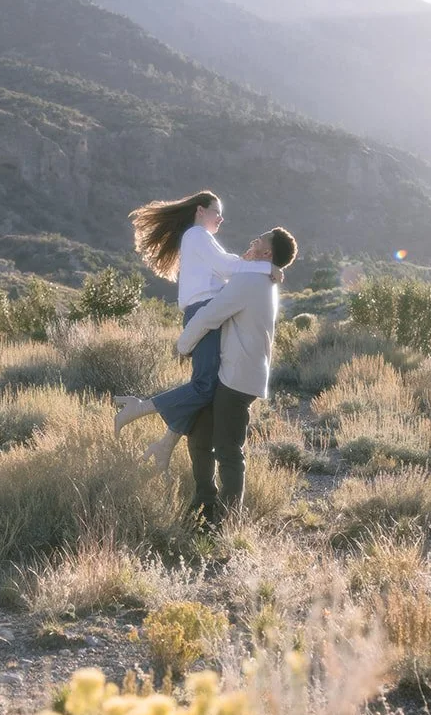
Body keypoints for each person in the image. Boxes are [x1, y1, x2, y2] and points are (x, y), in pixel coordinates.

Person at [115, 190, 279, 471]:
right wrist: (267, 266)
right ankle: (139, 407)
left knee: (208, 386)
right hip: (204, 312)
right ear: (200, 211)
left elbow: (228, 268)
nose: (221, 219)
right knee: (205, 387)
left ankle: (165, 444)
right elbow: (228, 266)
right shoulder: (197, 235)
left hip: (205, 313)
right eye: (217, 212)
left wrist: (258, 266)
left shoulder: (200, 239)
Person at [181, 226, 298, 524]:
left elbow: (210, 315)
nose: (252, 241)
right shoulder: (262, 279)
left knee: (228, 450)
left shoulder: (251, 280)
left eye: (258, 240)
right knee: (200, 436)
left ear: (266, 252)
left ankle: (229, 521)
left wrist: (182, 345)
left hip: (237, 377)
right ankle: (205, 504)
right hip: (237, 373)